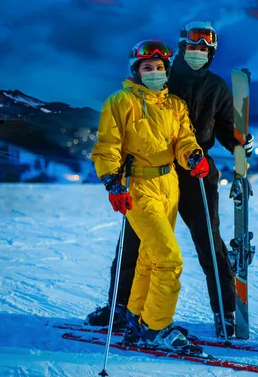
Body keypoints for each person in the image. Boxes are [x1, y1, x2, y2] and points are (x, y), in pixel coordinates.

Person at [86, 21, 254, 338]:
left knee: (209, 241)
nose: (197, 53)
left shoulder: (216, 87)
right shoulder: (161, 77)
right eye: (192, 47)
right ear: (180, 50)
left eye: (204, 49)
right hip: (149, 174)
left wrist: (237, 142)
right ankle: (121, 308)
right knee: (134, 244)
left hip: (196, 172)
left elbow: (223, 129)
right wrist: (115, 177)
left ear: (211, 53)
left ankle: (225, 311)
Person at [90, 39, 210, 351]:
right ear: (137, 71)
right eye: (148, 68)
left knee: (149, 258)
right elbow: (107, 146)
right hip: (139, 187)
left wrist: (194, 156)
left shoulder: (175, 105)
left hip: (170, 184)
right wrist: (112, 183)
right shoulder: (120, 102)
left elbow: (184, 139)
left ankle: (138, 318)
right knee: (169, 259)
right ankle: (158, 327)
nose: (154, 72)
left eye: (159, 67)